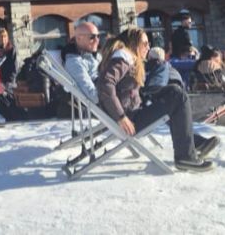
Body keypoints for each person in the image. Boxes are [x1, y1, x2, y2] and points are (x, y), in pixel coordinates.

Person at [97, 27, 218, 172]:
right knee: (177, 96)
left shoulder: (126, 58)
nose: (148, 47)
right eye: (145, 43)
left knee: (174, 92)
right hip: (130, 120)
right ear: (133, 43)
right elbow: (105, 84)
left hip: (134, 112)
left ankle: (193, 142)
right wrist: (121, 116)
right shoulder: (123, 58)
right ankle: (186, 156)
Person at [62, 21, 101, 103]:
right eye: (92, 37)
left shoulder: (95, 56)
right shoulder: (74, 62)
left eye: (98, 36)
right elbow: (92, 95)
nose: (97, 40)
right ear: (79, 38)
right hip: (104, 104)